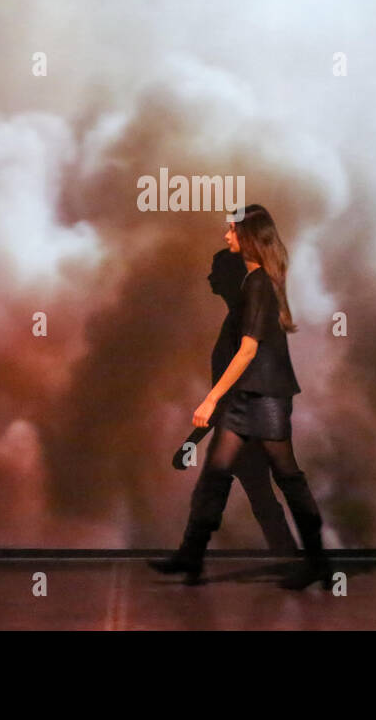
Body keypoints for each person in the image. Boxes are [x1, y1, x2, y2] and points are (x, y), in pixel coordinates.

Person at [150, 204, 333, 590]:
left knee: (288, 477)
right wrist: (200, 428)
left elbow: (248, 351)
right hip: (245, 400)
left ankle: (318, 563)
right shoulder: (254, 283)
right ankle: (191, 557)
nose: (226, 236)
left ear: (248, 236)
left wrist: (210, 400)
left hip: (265, 398)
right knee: (215, 476)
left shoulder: (258, 284)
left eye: (231, 230)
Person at [157, 247, 298, 557]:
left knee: (225, 489)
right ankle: (290, 557)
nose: (210, 277)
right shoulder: (240, 318)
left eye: (216, 270)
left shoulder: (243, 322)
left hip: (245, 423)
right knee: (255, 494)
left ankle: (191, 558)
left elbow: (238, 387)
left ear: (231, 275)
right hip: (244, 421)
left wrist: (191, 441)